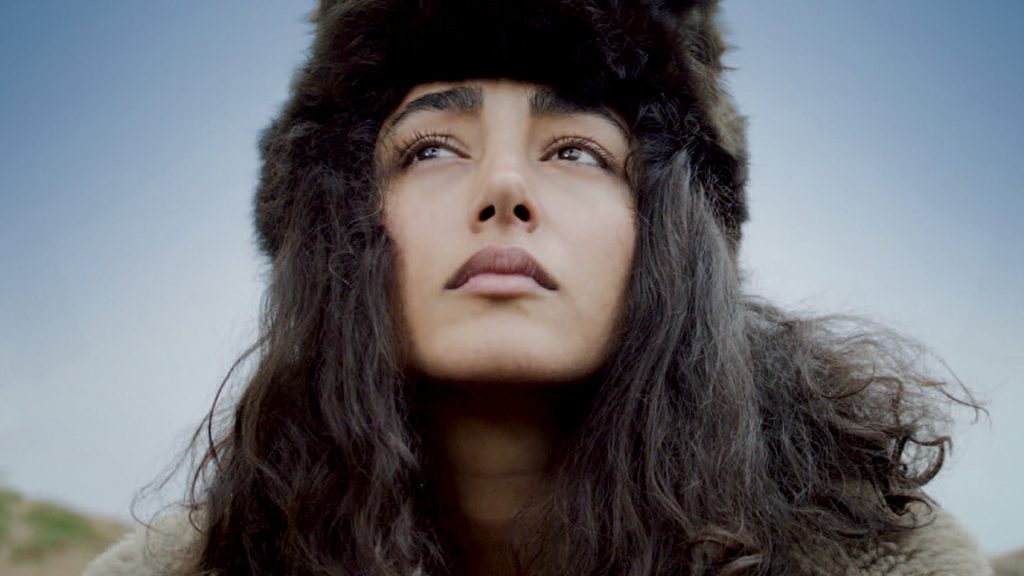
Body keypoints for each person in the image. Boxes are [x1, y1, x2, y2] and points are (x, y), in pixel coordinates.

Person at [84, 1, 992, 575]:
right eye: (430, 149)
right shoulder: (174, 569)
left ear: (671, 232)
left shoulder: (890, 564)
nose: (505, 189)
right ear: (340, 222)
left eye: (578, 152)